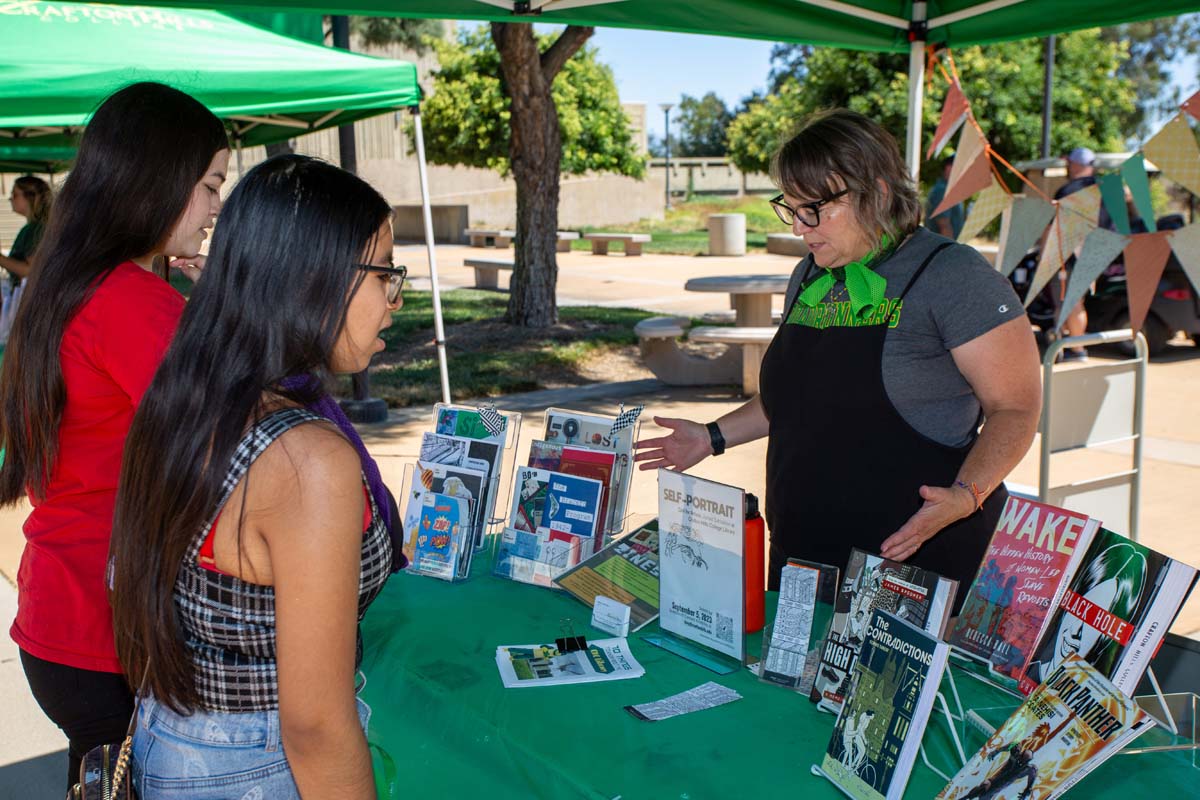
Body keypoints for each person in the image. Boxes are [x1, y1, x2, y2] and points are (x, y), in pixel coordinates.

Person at [634, 109, 1042, 606]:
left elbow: (1016, 408)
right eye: (792, 208)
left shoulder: (951, 275)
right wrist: (712, 437)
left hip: (911, 563)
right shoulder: (809, 274)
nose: (802, 228)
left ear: (878, 193)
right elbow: (795, 398)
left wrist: (965, 496)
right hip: (803, 553)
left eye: (817, 209)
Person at [109, 154, 405, 799]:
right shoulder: (309, 460)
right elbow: (316, 725)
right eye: (385, 272)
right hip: (259, 766)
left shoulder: (189, 395)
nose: (394, 300)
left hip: (177, 736)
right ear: (310, 279)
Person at [0, 82, 228, 791]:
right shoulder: (130, 299)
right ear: (159, 181)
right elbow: (240, 430)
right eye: (211, 184)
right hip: (112, 630)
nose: (218, 205)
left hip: (63, 615)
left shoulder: (70, 283)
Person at [1053, 147, 1100, 362]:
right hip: (1099, 252)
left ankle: (1077, 348)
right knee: (1074, 301)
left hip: (1072, 255)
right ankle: (1069, 345)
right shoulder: (1105, 190)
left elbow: (1055, 227)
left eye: (1070, 162)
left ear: (1077, 164)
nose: (1067, 166)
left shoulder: (1068, 191)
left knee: (1071, 301)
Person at [0, 176, 53, 348]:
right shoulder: (32, 228)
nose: (10, 199)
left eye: (15, 195)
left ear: (30, 197)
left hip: (26, 299)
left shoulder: (35, 229)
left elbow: (30, 271)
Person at [925, 157, 964, 240]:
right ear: (948, 168)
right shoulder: (942, 190)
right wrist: (952, 250)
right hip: (943, 247)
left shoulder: (948, 190)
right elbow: (944, 225)